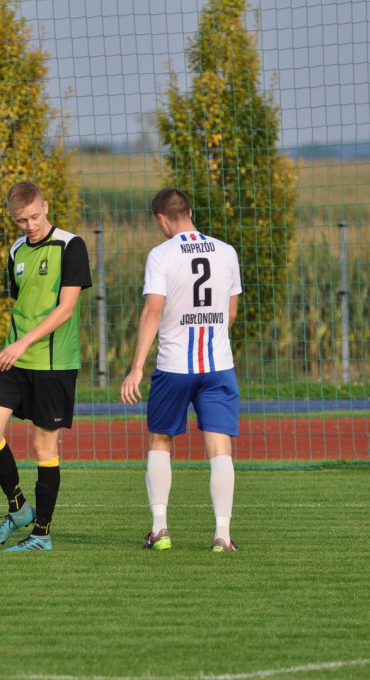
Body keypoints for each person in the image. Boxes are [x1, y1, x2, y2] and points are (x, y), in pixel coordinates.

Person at [120, 187, 242, 552]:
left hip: (173, 366)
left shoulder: (161, 255)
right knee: (220, 448)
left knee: (161, 440)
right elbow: (231, 312)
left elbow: (153, 311)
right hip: (219, 365)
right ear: (189, 210)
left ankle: (160, 531)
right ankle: (222, 535)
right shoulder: (226, 251)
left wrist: (136, 368)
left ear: (161, 218)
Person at [0, 181, 92, 552]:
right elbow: (22, 303)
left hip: (53, 363)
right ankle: (18, 508)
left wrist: (23, 342)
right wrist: (17, 344)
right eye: (21, 220)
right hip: (16, 361)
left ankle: (41, 533)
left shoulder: (71, 245)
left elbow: (66, 308)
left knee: (44, 447)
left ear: (46, 206)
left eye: (35, 216)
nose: (29, 225)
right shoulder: (16, 251)